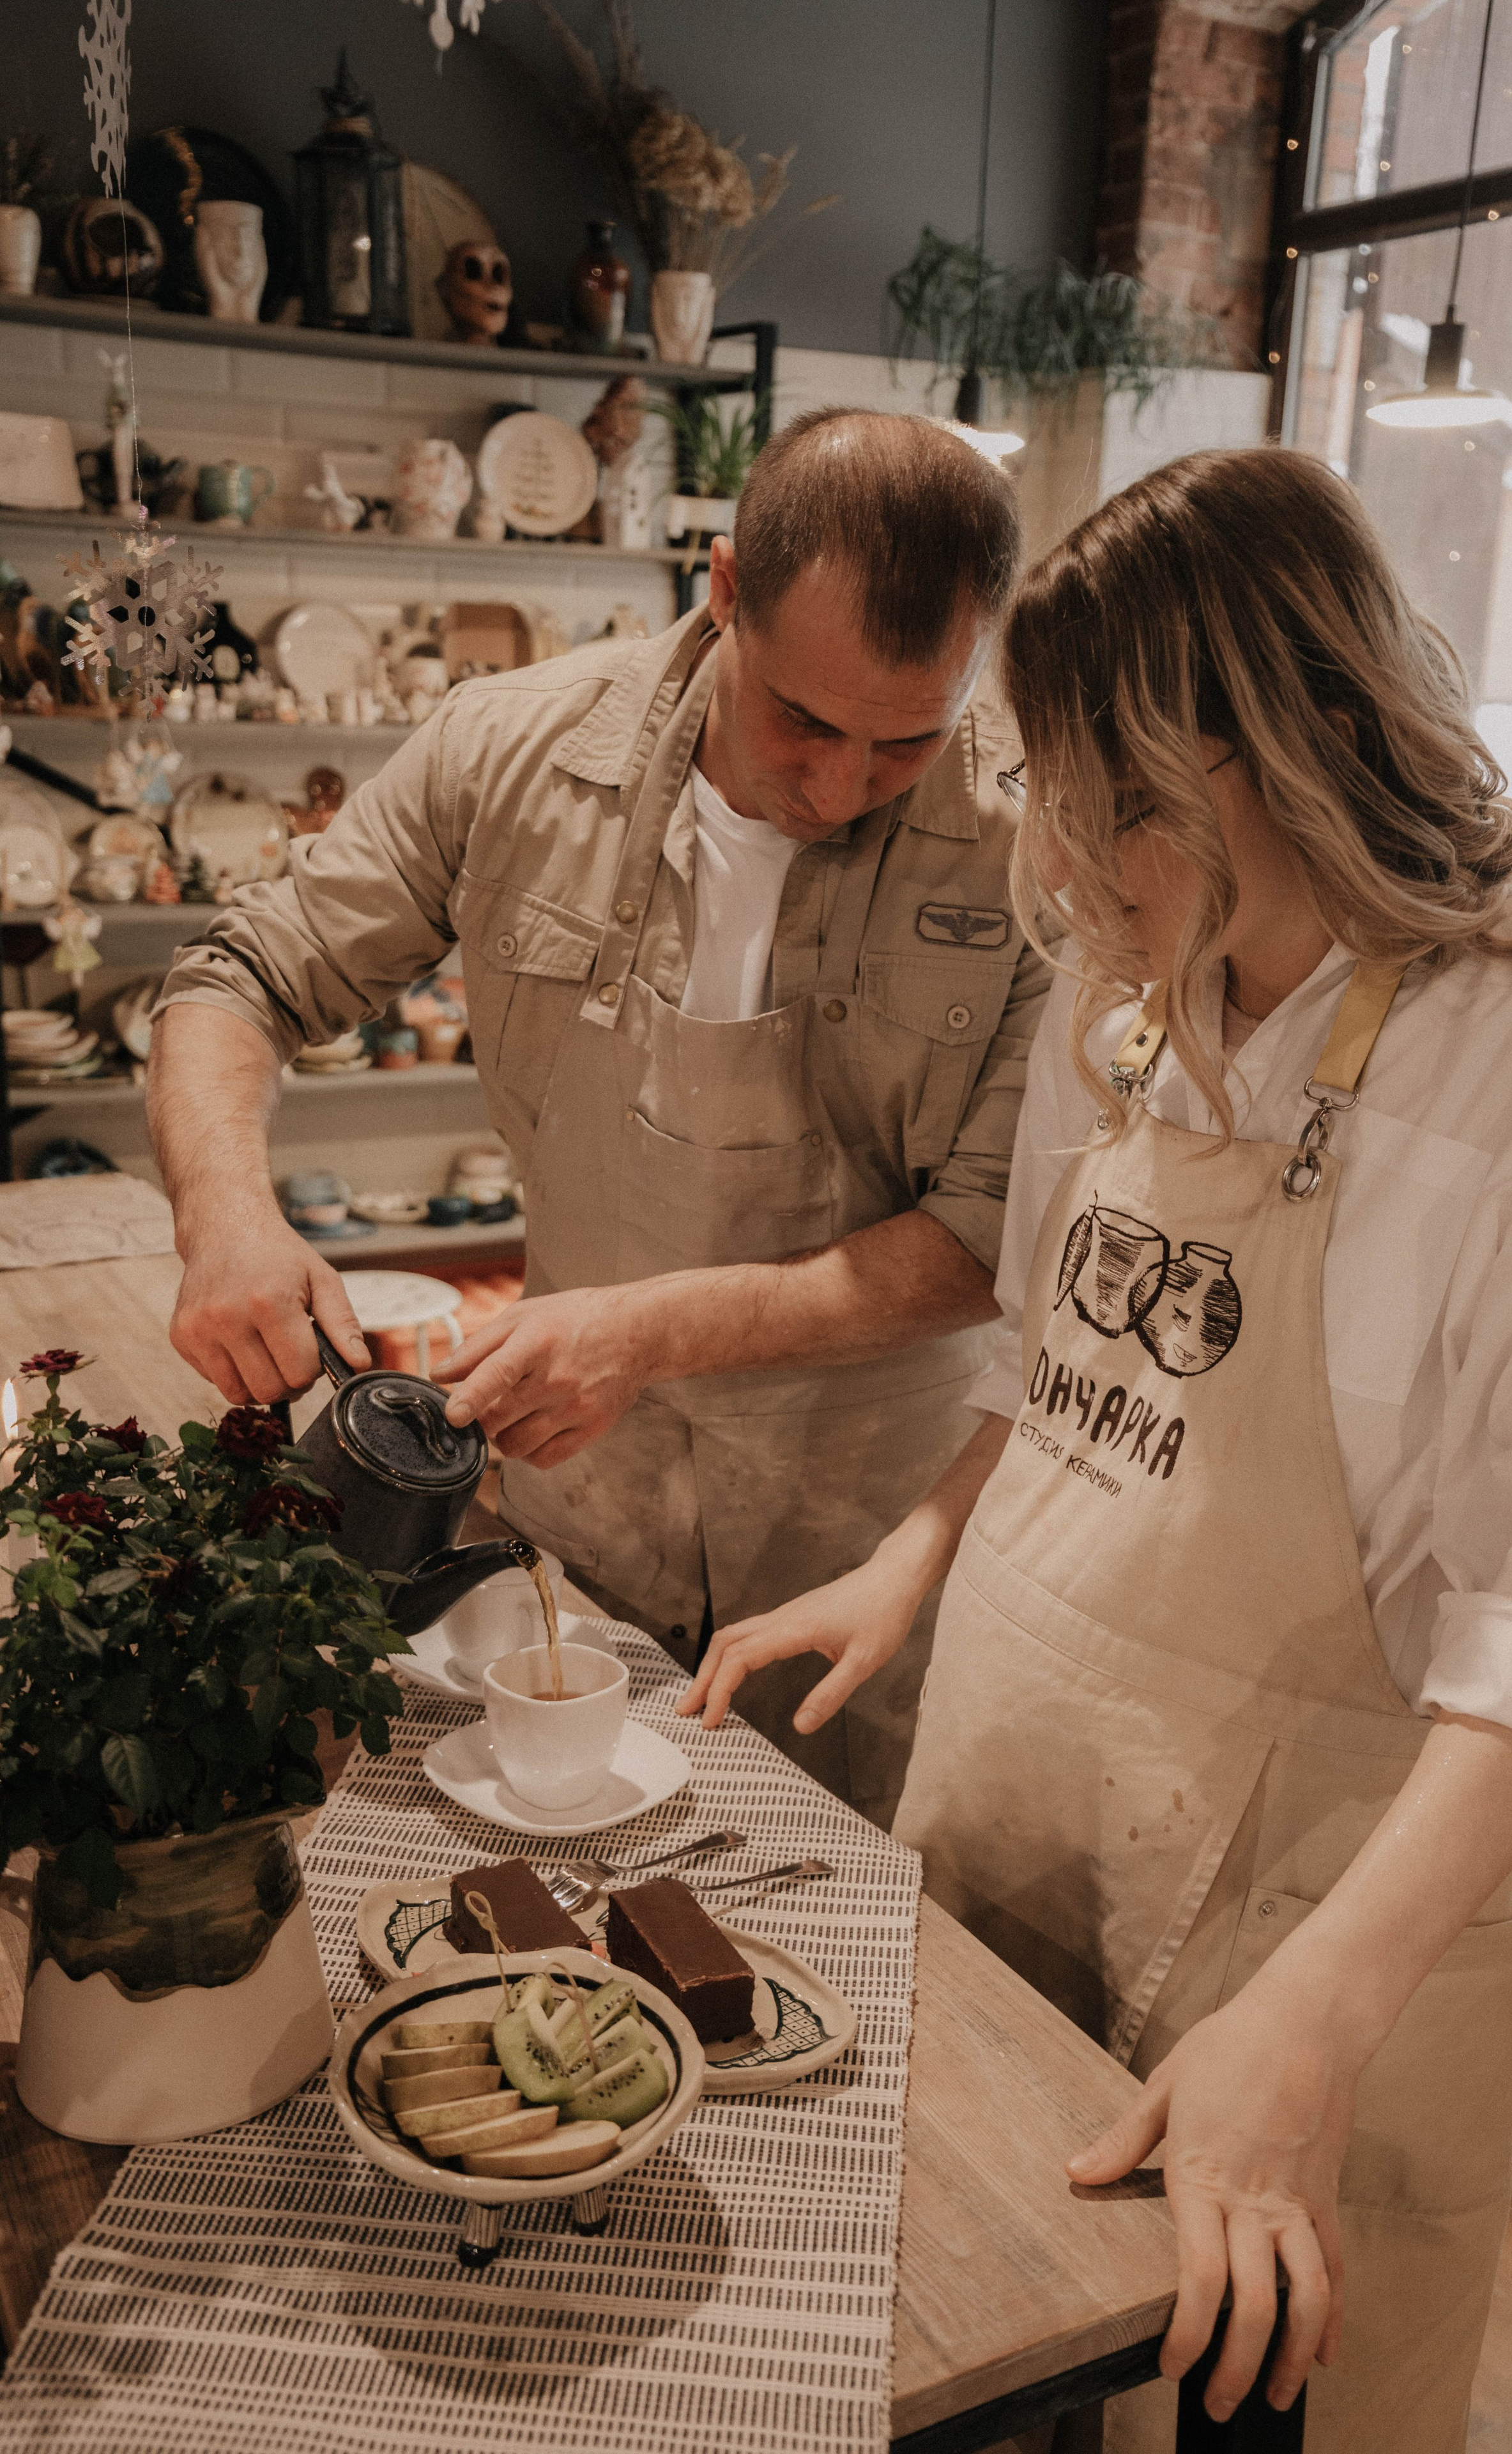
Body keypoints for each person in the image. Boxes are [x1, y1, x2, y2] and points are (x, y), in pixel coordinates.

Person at [680, 447, 1512, 2446]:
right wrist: (913, 1557)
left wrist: (1315, 2015)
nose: (1066, 856)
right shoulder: (1128, 987)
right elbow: (1059, 1366)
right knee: (979, 2361)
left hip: (1325, 1922)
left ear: (1288, 745)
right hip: (1024, 1793)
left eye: (1110, 796)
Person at [148, 409, 1051, 1826]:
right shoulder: (510, 748)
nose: (835, 789)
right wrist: (225, 1215)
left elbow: (994, 1238)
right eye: (804, 722)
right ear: (724, 587)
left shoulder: (1036, 840)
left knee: (833, 1903)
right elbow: (238, 978)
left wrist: (649, 1330)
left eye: (904, 745)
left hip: (867, 1538)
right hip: (583, 1495)